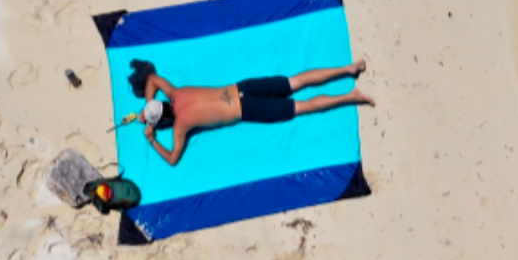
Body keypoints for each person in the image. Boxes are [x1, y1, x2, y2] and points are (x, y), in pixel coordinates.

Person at [134, 59, 375, 167]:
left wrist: (153, 139)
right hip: (242, 88)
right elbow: (152, 79)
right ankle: (348, 68)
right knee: (296, 81)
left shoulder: (181, 126)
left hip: (247, 109)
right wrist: (149, 105)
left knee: (301, 106)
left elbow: (173, 159)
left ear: (164, 119)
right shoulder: (177, 92)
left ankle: (349, 97)